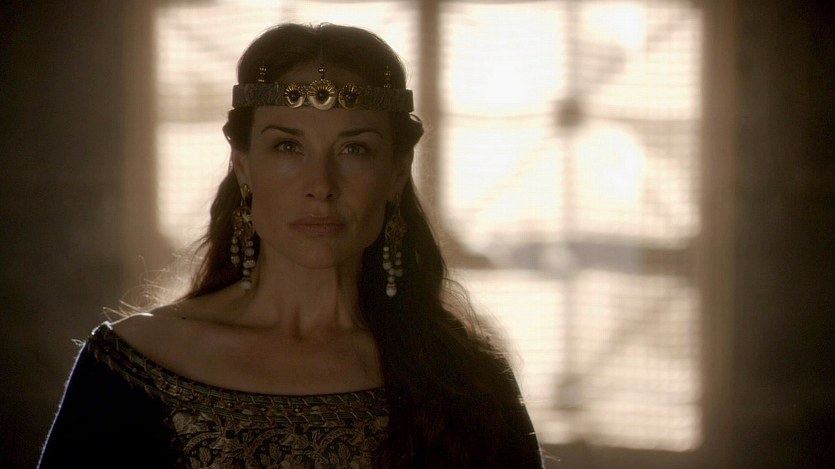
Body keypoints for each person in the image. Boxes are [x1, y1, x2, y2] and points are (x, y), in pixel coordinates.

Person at [39, 23, 543, 468]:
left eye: (354, 149)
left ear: (396, 173)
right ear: (243, 165)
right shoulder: (134, 365)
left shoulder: (464, 380)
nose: (320, 184)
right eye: (288, 146)